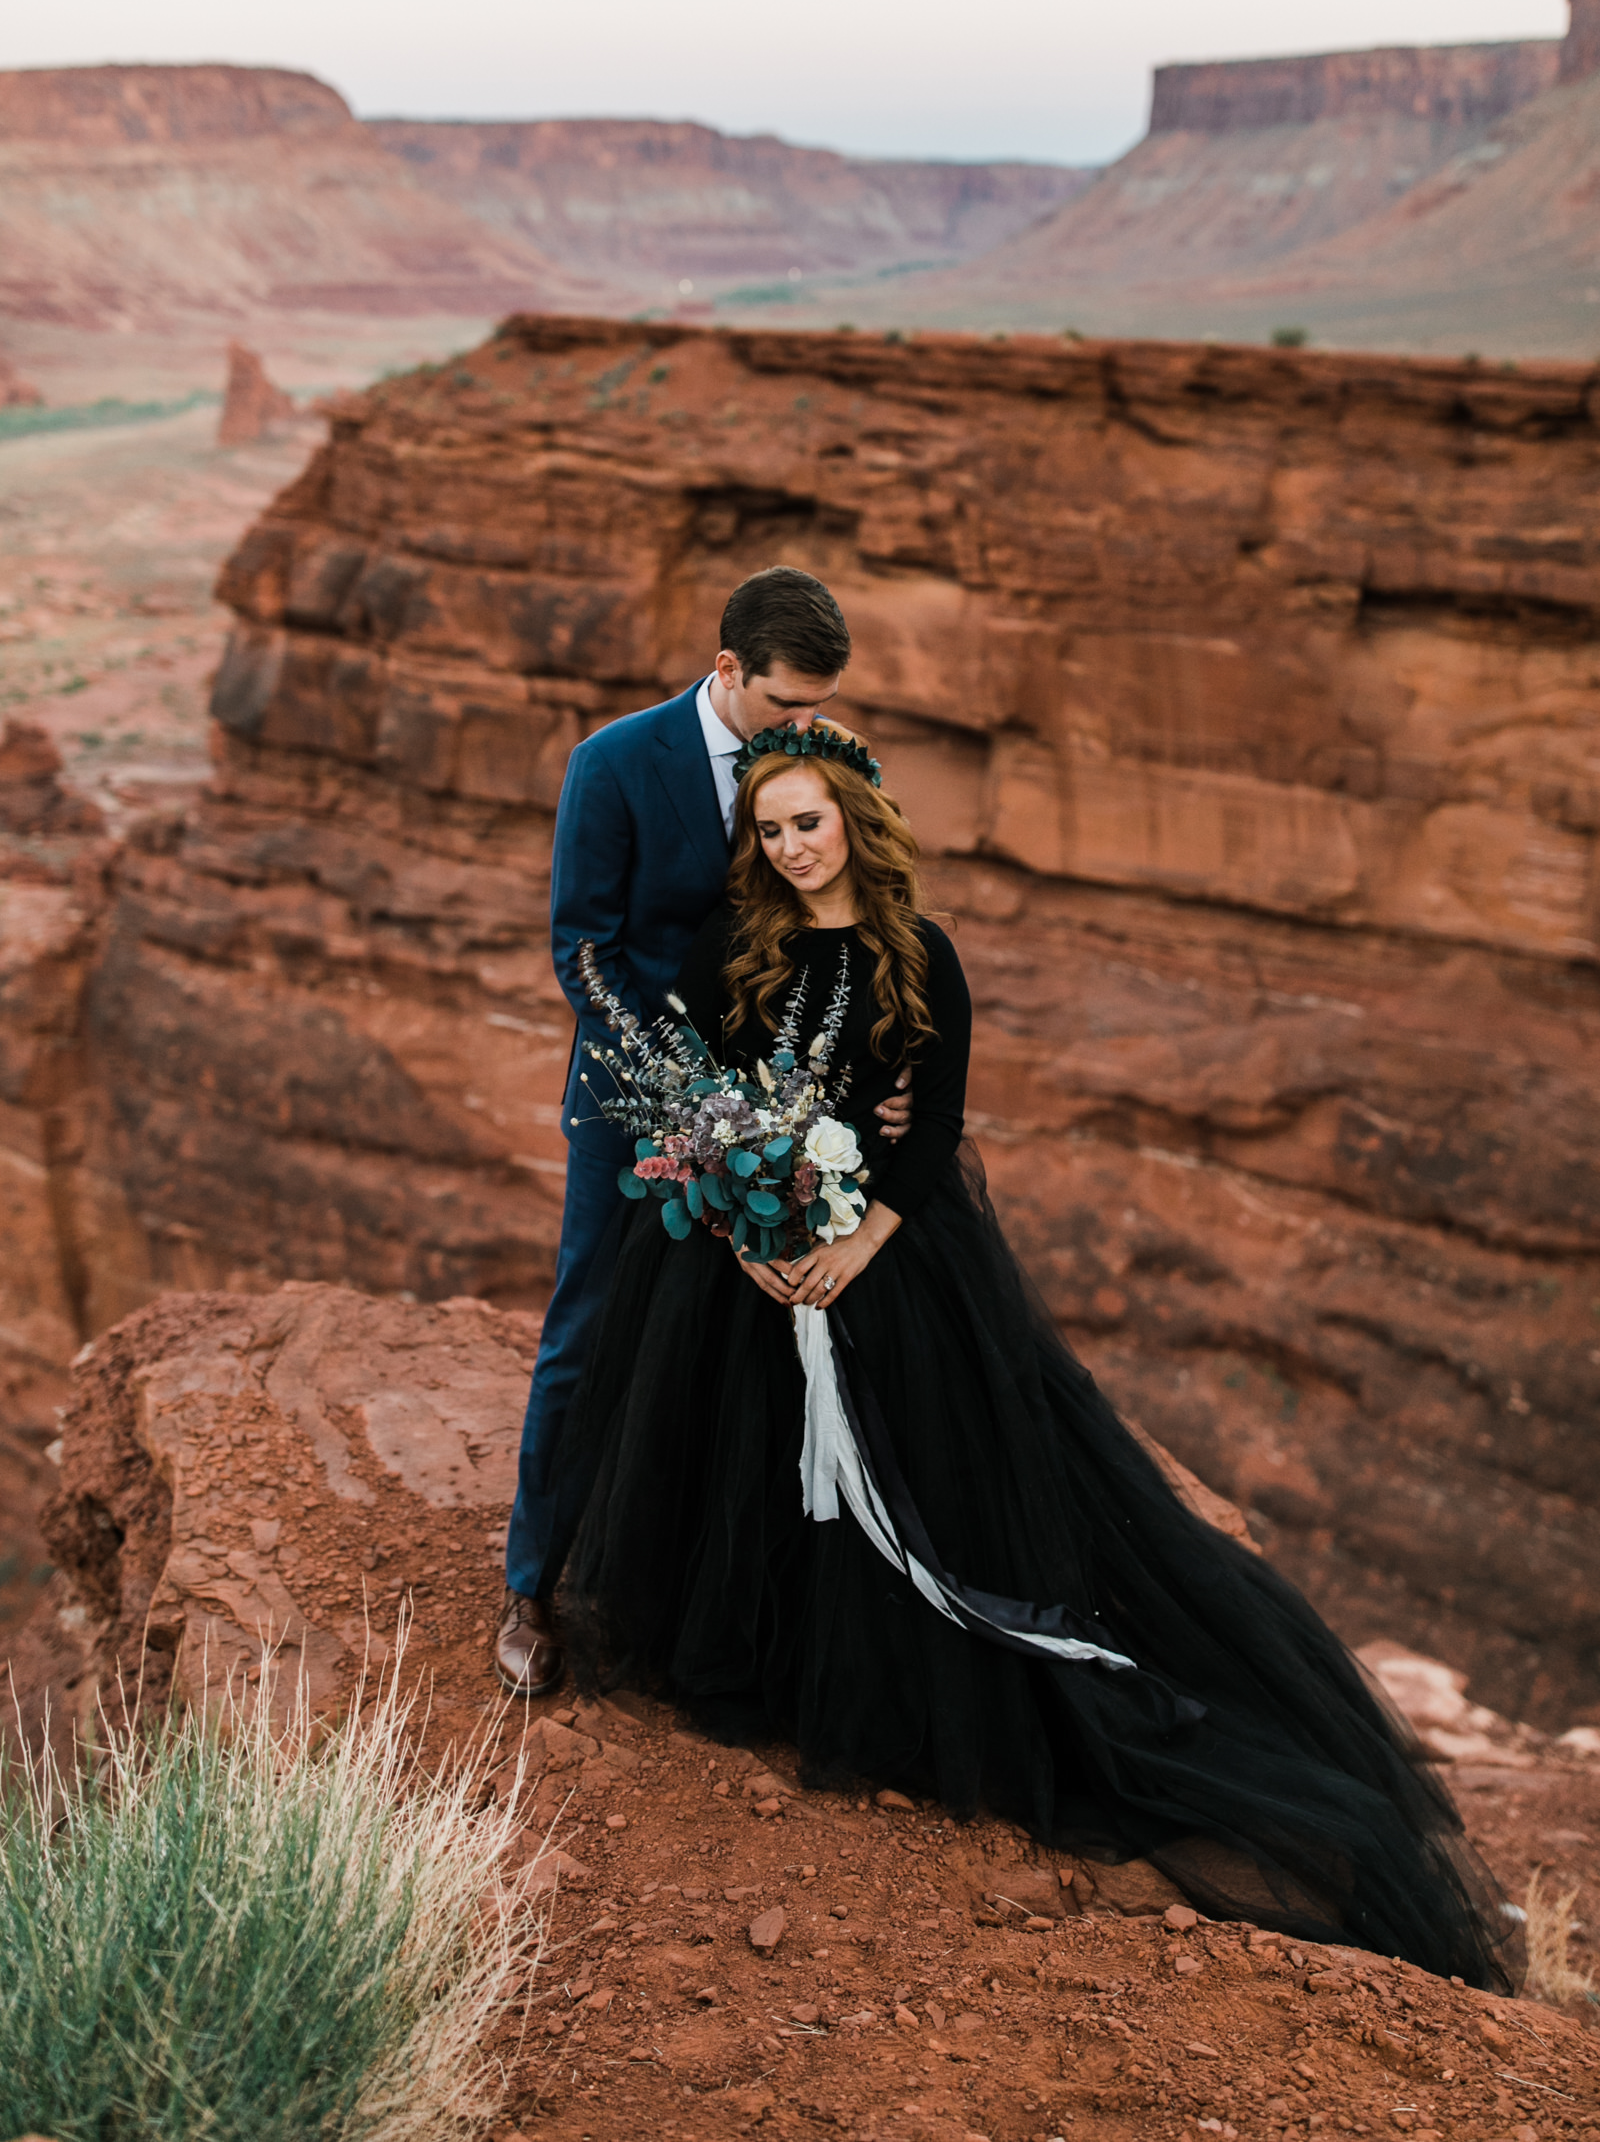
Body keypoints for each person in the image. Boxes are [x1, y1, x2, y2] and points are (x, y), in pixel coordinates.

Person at [542, 723, 1518, 1986]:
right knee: (740, 1467)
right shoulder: (735, 950)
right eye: (770, 829)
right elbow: (701, 1101)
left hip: (886, 1256)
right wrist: (741, 1231)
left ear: (853, 821)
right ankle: (757, 1665)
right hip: (740, 1264)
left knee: (912, 1489)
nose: (789, 846)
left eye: (808, 822)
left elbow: (933, 1120)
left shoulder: (919, 955)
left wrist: (854, 1246)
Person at [496, 567, 912, 1695]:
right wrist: (685, 1098)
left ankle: (707, 1598)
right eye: (785, 704)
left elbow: (854, 910)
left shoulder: (813, 759)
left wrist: (879, 1071)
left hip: (787, 1100)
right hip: (633, 1103)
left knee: (744, 1344)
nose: (806, 725)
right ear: (726, 669)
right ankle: (531, 1584)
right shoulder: (615, 763)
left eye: (816, 705)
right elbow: (583, 951)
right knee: (592, 1325)